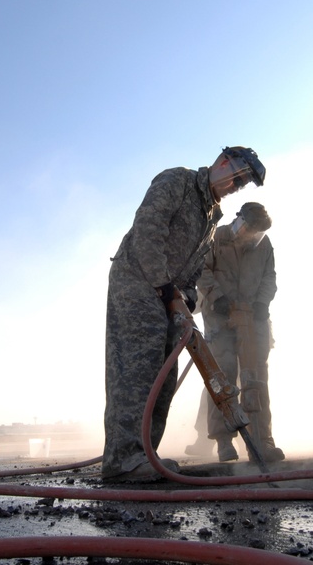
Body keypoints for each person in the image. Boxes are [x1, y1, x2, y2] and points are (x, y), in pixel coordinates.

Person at [103, 146, 266, 483]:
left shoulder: (212, 214)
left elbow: (195, 268)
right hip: (137, 283)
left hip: (167, 295)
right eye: (238, 177)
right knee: (137, 370)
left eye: (243, 184)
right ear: (223, 162)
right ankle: (122, 461)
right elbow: (149, 230)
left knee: (164, 374)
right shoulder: (176, 181)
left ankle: (144, 455)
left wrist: (186, 302)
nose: (237, 186)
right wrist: (164, 288)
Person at [190, 202, 284, 464]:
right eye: (249, 229)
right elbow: (201, 270)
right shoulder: (215, 238)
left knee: (256, 376)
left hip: (253, 316)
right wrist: (216, 297)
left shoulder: (263, 246)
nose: (251, 235)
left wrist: (262, 303)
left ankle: (262, 440)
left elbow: (269, 277)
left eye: (257, 232)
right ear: (239, 222)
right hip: (220, 316)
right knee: (224, 372)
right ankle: (223, 439)